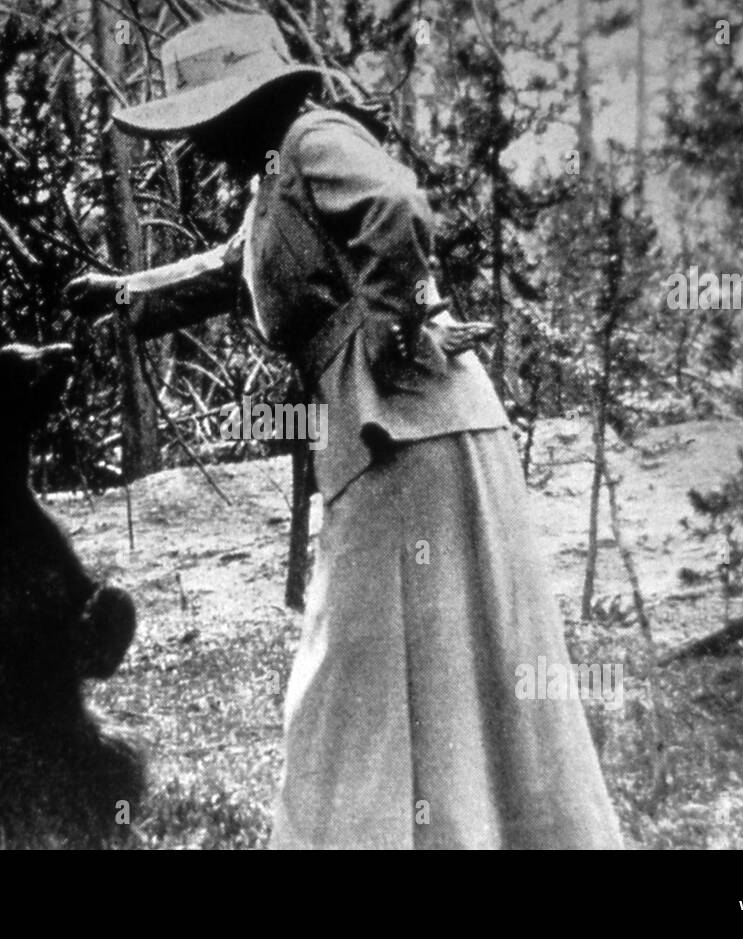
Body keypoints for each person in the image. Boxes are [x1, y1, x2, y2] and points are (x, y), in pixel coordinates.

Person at [65, 12, 622, 849]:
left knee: (356, 665)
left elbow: (396, 205)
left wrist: (394, 334)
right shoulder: (274, 181)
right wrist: (124, 290)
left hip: (406, 426)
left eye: (204, 119)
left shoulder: (314, 140)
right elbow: (233, 268)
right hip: (409, 430)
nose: (196, 143)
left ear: (244, 106)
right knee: (429, 653)